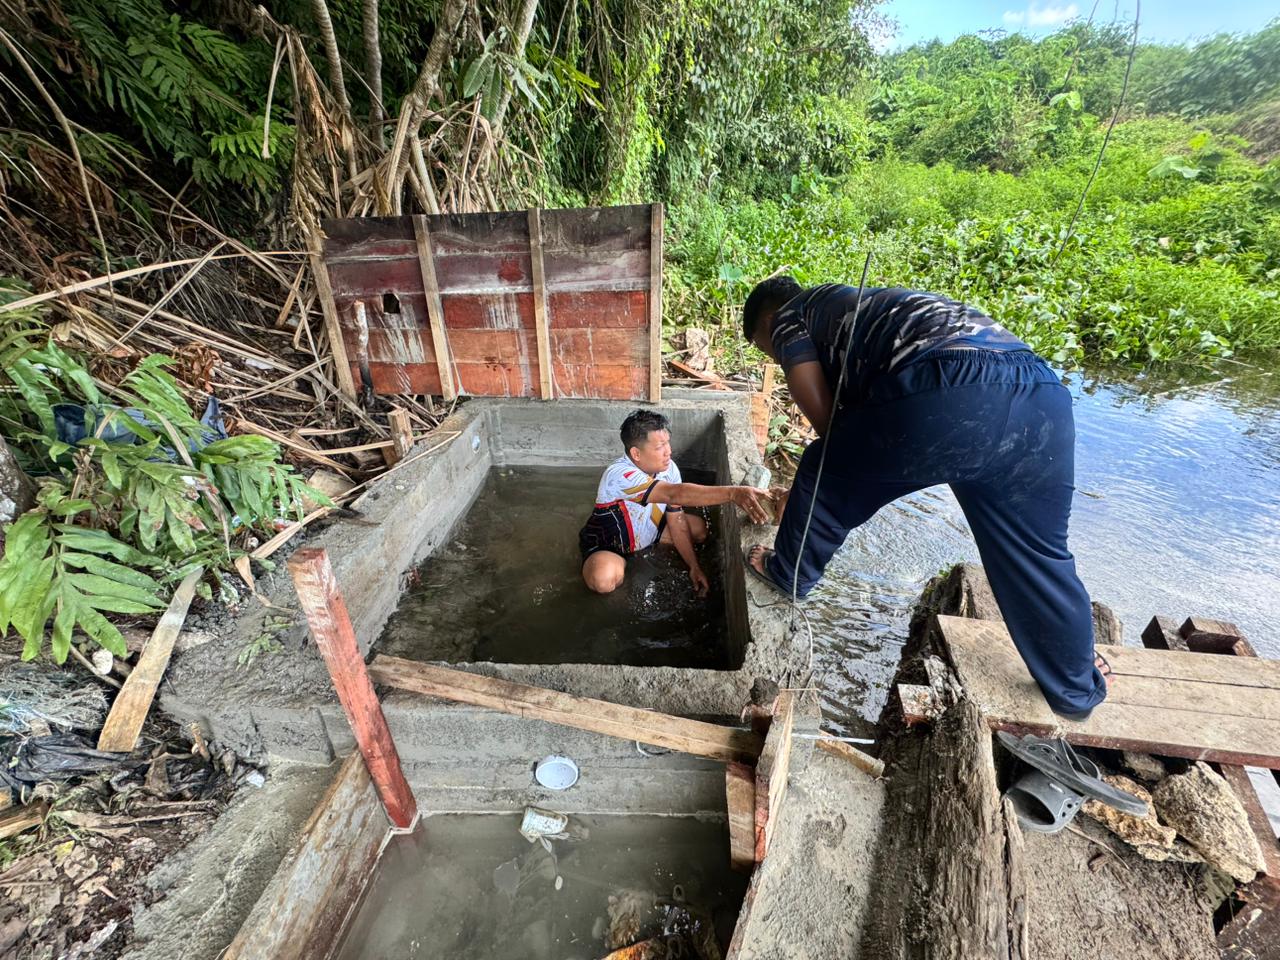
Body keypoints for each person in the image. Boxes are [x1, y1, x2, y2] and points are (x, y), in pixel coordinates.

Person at [740, 276, 1112, 719]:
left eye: (766, 349)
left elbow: (825, 422)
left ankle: (789, 571)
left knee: (823, 466)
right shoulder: (864, 306)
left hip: (949, 388)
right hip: (1041, 393)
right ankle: (1074, 687)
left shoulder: (789, 314)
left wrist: (822, 486)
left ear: (766, 321)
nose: (775, 357)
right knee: (1039, 553)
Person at [580, 410, 771, 596]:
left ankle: (652, 555)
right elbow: (674, 495)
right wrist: (733, 494)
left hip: (650, 532)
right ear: (636, 454)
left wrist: (694, 566)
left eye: (667, 443)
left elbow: (676, 517)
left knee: (699, 529)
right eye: (659, 447)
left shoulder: (669, 469)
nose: (668, 452)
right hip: (610, 545)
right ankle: (609, 566)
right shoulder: (619, 475)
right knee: (603, 580)